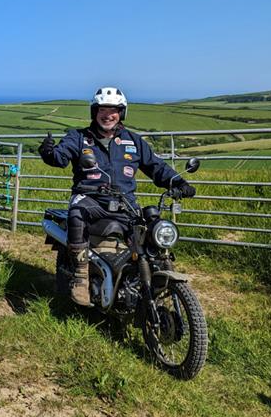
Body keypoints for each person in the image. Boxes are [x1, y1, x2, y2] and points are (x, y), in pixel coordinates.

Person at [38, 86, 196, 306]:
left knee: (152, 229)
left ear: (121, 113)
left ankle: (155, 280)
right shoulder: (79, 137)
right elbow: (60, 157)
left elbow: (156, 166)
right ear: (95, 111)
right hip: (90, 198)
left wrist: (178, 182)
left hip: (125, 204)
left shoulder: (133, 141)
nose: (108, 114)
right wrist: (49, 153)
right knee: (77, 213)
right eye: (103, 109)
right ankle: (81, 277)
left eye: (114, 110)